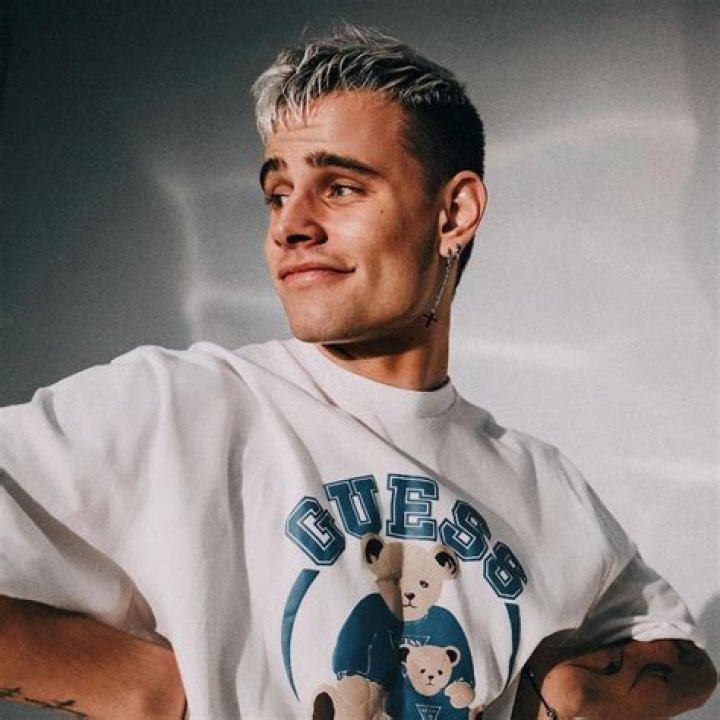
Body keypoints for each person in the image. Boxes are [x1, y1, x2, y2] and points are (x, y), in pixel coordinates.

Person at [0, 25, 715, 720]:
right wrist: (136, 687)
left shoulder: (540, 483)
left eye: (339, 188)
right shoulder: (180, 407)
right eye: (278, 194)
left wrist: (580, 697)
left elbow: (683, 654)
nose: (289, 225)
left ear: (454, 213)